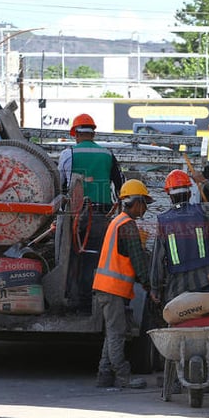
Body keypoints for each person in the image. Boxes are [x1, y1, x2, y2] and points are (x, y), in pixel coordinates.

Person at [58, 113, 125, 313]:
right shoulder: (107, 154)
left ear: (76, 134)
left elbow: (60, 186)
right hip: (101, 215)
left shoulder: (68, 154)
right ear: (93, 134)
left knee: (71, 256)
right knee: (94, 257)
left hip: (75, 214)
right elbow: (120, 184)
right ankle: (93, 300)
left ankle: (75, 299)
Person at [92, 179, 153, 389]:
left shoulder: (116, 221)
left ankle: (104, 374)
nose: (145, 208)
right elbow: (138, 260)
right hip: (112, 288)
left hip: (105, 287)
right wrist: (148, 285)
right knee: (117, 332)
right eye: (144, 203)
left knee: (112, 331)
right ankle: (123, 376)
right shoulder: (127, 226)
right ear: (135, 203)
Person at [150, 169, 209, 304]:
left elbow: (157, 260)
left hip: (177, 290)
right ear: (189, 193)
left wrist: (155, 288)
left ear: (169, 196)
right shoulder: (203, 212)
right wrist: (204, 182)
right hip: (205, 283)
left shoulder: (163, 221)